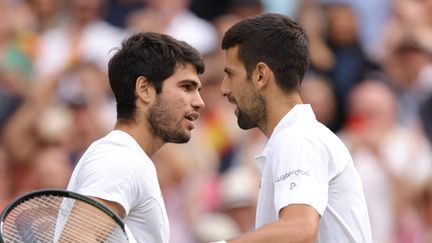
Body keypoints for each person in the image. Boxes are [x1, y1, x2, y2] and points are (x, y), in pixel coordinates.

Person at [215, 13, 372, 243]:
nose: (224, 88)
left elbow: (300, 229)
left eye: (230, 75)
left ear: (260, 75)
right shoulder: (295, 137)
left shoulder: (297, 139)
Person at [65, 32, 205, 242]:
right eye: (187, 87)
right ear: (144, 89)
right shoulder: (120, 159)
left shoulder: (126, 158)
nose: (199, 102)